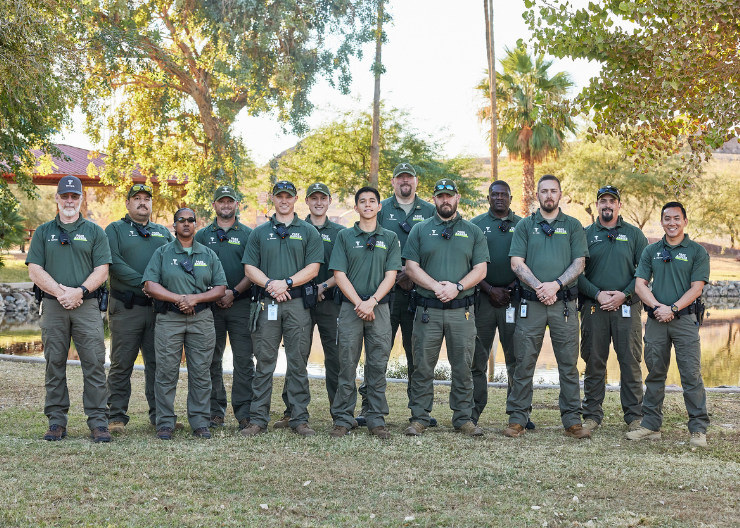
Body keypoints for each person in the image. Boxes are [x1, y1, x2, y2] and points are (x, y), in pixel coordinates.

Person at [26, 175, 112, 442]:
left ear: (81, 198)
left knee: (95, 364)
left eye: (75, 196)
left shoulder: (95, 231)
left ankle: (99, 422)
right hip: (53, 306)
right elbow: (34, 269)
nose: (70, 201)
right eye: (65, 196)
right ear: (57, 198)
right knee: (54, 363)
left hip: (86, 306)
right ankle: (56, 421)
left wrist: (80, 291)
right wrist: (61, 292)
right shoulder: (43, 231)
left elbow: (103, 269)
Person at [504, 174, 591, 439]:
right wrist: (540, 287)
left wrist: (555, 284)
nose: (549, 195)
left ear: (560, 194)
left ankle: (572, 420)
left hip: (563, 304)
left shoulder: (574, 226)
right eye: (544, 191)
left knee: (568, 363)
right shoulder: (525, 226)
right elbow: (516, 263)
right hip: (531, 304)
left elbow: (580, 264)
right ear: (537, 195)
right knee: (524, 361)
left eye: (553, 191)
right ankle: (518, 418)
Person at [403, 179, 488, 437]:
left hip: (461, 311)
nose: (445, 200)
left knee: (463, 366)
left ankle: (463, 418)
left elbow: (481, 269)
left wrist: (457, 287)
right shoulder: (420, 230)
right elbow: (411, 266)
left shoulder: (473, 231)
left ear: (457, 198)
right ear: (435, 198)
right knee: (422, 366)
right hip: (427, 310)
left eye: (449, 196)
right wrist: (435, 287)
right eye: (440, 196)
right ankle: (419, 418)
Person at [241, 180, 324, 437]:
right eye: (279, 196)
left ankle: (299, 418)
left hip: (298, 304)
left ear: (295, 199)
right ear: (273, 199)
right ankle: (258, 420)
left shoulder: (308, 231)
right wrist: (270, 284)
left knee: (297, 361)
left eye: (288, 196)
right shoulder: (259, 232)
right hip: (267, 303)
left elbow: (314, 268)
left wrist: (286, 282)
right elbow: (249, 268)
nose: (284, 200)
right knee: (265, 361)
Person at [357, 162, 436, 427]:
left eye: (409, 178)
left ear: (416, 182)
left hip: (419, 292)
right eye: (400, 177)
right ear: (393, 182)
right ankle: (369, 406)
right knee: (378, 351)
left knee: (419, 354)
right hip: (384, 293)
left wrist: (411, 274)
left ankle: (419, 411)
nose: (405, 182)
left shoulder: (429, 210)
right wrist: (395, 274)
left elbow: (434, 252)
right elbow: (369, 246)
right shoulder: (380, 208)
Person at [628, 201, 710, 447]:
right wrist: (657, 307)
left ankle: (697, 430)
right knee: (654, 374)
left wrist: (673, 308)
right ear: (661, 222)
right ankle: (651, 426)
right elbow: (640, 284)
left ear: (685, 221)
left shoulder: (697, 251)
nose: (672, 223)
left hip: (685, 321)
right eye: (667, 218)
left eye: (676, 218)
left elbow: (697, 288)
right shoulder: (650, 251)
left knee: (690, 375)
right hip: (656, 321)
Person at [142, 208, 227, 440]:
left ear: (196, 224)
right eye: (181, 220)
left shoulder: (208, 254)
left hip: (201, 319)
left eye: (190, 220)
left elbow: (220, 288)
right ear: (174, 225)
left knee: (201, 372)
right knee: (166, 372)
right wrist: (179, 299)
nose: (186, 224)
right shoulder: (162, 253)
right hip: (169, 318)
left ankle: (200, 422)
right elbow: (150, 285)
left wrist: (196, 299)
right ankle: (165, 423)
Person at [328, 187, 401, 439]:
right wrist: (360, 302)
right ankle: (343, 418)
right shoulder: (345, 237)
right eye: (362, 201)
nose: (367, 205)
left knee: (378, 364)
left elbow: (391, 275)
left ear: (380, 206)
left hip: (379, 309)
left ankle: (376, 418)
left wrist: (372, 302)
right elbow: (339, 274)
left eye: (372, 201)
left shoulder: (390, 237)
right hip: (351, 308)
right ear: (356, 207)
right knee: (346, 363)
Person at [271, 182, 345, 428]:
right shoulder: (294, 228)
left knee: (335, 358)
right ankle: (291, 410)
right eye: (313, 198)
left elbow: (343, 269)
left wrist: (322, 287)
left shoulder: (339, 233)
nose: (318, 202)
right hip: (299, 300)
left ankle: (340, 413)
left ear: (329, 200)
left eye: (323, 198)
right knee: (296, 355)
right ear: (307, 201)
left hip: (329, 300)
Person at [105, 183, 177, 435]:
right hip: (127, 307)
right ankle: (115, 416)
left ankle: (160, 416)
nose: (142, 202)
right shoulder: (115, 230)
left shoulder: (163, 232)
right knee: (121, 363)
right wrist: (146, 282)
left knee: (158, 364)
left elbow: (174, 260)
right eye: (137, 198)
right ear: (127, 203)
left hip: (159, 310)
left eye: (147, 198)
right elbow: (113, 262)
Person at [578, 185, 648, 432]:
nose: (607, 205)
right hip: (593, 309)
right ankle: (592, 415)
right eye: (603, 201)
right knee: (594, 361)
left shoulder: (634, 235)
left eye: (612, 201)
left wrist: (624, 294)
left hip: (626, 308)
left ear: (620, 205)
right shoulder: (584, 234)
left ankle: (634, 417)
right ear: (596, 205)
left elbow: (645, 272)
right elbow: (576, 273)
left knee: (630, 361)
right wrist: (597, 293)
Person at [194, 186, 254, 430]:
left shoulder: (250, 234)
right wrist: (213, 295)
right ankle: (214, 411)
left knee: (243, 361)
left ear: (236, 204)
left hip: (241, 305)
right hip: (210, 309)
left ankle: (245, 413)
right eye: (221, 202)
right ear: (214, 205)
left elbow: (253, 270)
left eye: (230, 201)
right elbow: (194, 269)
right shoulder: (201, 236)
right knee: (211, 359)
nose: (226, 205)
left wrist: (234, 292)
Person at [469, 180, 528, 426]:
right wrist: (490, 289)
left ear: (511, 198)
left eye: (504, 194)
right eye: (495, 194)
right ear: (489, 198)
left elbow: (528, 261)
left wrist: (509, 289)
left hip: (513, 300)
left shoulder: (524, 226)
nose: (500, 198)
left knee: (516, 357)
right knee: (477, 357)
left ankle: (517, 412)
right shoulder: (475, 226)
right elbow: (469, 264)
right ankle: (472, 411)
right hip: (483, 299)